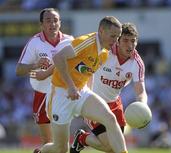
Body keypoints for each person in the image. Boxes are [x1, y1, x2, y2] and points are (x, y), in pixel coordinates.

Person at [36, 16, 128, 153]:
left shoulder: (104, 53)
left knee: (110, 118)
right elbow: (58, 58)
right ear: (101, 31)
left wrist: (89, 95)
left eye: (117, 37)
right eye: (113, 36)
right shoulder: (86, 42)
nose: (115, 41)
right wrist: (71, 86)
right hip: (61, 95)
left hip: (81, 92)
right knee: (61, 149)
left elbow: (88, 74)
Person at [70, 22, 148, 153]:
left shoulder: (137, 63)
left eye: (133, 41)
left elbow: (140, 90)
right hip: (93, 102)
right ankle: (82, 139)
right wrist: (86, 93)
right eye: (125, 40)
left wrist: (142, 107)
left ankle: (82, 138)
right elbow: (86, 69)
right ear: (118, 40)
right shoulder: (105, 52)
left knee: (114, 147)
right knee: (111, 146)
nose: (130, 45)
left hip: (115, 104)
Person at [16, 8, 73, 146]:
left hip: (62, 94)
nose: (52, 24)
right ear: (41, 24)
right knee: (47, 141)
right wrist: (35, 65)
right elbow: (19, 70)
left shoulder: (70, 41)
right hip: (42, 94)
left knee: (62, 144)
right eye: (48, 21)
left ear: (60, 23)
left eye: (55, 20)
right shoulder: (34, 42)